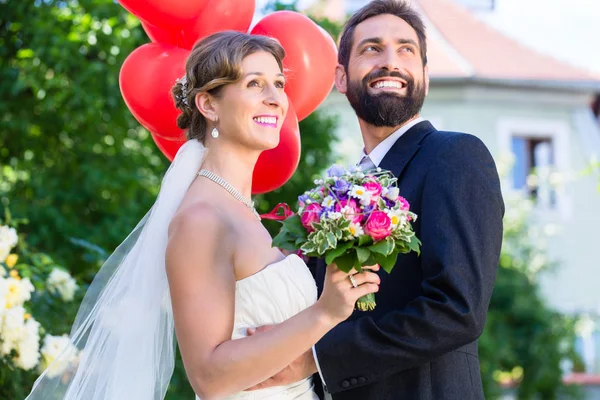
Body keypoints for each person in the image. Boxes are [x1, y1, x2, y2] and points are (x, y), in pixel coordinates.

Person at [24, 31, 380, 400]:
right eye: (254, 84)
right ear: (208, 105)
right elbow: (209, 378)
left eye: (278, 83)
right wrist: (325, 313)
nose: (275, 99)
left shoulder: (241, 210)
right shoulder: (202, 219)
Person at [247, 1, 505, 399]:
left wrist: (316, 358)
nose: (391, 62)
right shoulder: (336, 194)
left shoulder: (453, 157)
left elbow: (457, 308)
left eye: (406, 50)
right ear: (341, 78)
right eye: (371, 49)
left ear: (424, 76)